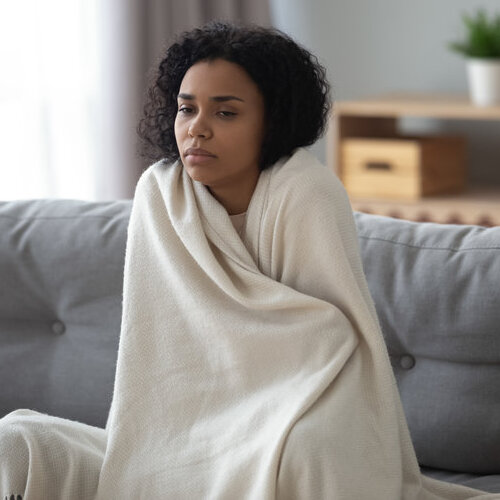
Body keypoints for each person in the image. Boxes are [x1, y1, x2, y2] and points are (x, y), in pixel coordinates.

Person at [0, 21, 495, 500]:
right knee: (18, 437)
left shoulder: (306, 192)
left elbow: (332, 337)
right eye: (186, 109)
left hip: (303, 406)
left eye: (226, 113)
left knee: (307, 452)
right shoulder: (161, 194)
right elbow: (159, 345)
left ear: (271, 120)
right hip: (182, 427)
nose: (197, 129)